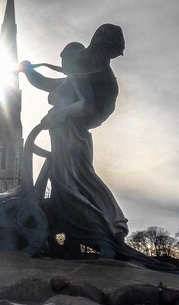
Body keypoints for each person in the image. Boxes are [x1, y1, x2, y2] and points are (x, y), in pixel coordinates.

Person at [19, 24, 128, 259]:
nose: (63, 63)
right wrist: (28, 71)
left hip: (69, 136)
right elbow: (44, 83)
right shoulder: (74, 78)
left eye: (63, 58)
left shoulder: (80, 76)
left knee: (70, 185)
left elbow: (87, 105)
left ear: (71, 57)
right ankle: (95, 233)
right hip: (70, 136)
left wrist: (58, 114)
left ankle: (101, 236)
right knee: (81, 182)